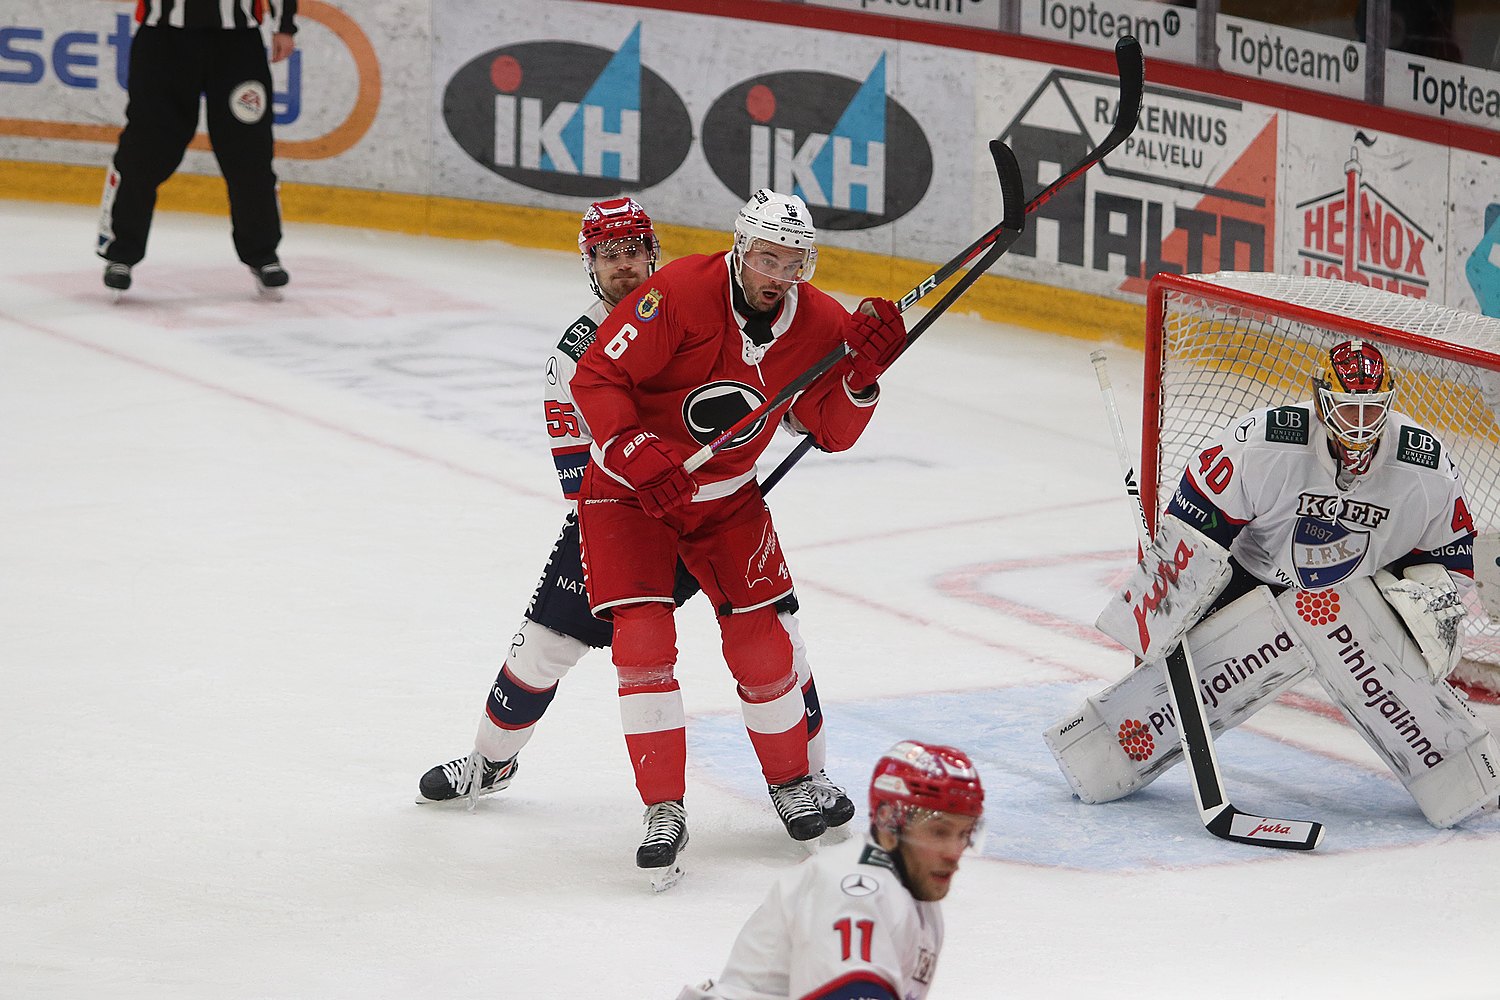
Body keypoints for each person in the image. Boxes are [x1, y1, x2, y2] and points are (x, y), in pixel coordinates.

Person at [416, 198, 856, 850]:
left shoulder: (694, 309)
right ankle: (490, 760)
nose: (624, 267)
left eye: (633, 252)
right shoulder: (577, 351)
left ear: (653, 253)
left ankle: (806, 779)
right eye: (608, 255)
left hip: (711, 508)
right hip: (629, 510)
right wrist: (645, 480)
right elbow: (578, 475)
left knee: (774, 635)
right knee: (545, 647)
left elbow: (791, 410)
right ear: (589, 263)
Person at [568, 189, 908, 877]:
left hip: (724, 499)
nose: (778, 275)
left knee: (762, 644)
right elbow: (597, 376)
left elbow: (831, 432)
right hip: (630, 493)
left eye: (794, 262)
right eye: (766, 258)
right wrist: (634, 450)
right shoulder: (680, 293)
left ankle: (790, 782)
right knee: (642, 642)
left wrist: (863, 379)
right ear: (739, 249)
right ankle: (663, 808)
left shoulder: (819, 323)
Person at [1048, 339, 1495, 827]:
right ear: (1322, 399)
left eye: (1372, 411)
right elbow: (1195, 526)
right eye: (1348, 408)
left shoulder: (1423, 466)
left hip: (1353, 596)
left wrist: (1421, 622)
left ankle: (1461, 776)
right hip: (1251, 576)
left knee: (1397, 659)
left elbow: (1449, 556)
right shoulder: (1265, 442)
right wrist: (1170, 609)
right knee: (1179, 681)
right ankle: (1102, 751)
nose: (1361, 425)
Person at [678, 740, 985, 1000]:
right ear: (890, 823)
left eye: (965, 834)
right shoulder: (856, 890)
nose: (954, 853)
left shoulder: (911, 889)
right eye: (939, 832)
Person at [96, 0, 296, 296]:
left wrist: (285, 26)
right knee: (145, 148)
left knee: (249, 151)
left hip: (238, 44)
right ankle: (121, 253)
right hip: (163, 41)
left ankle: (263, 254)